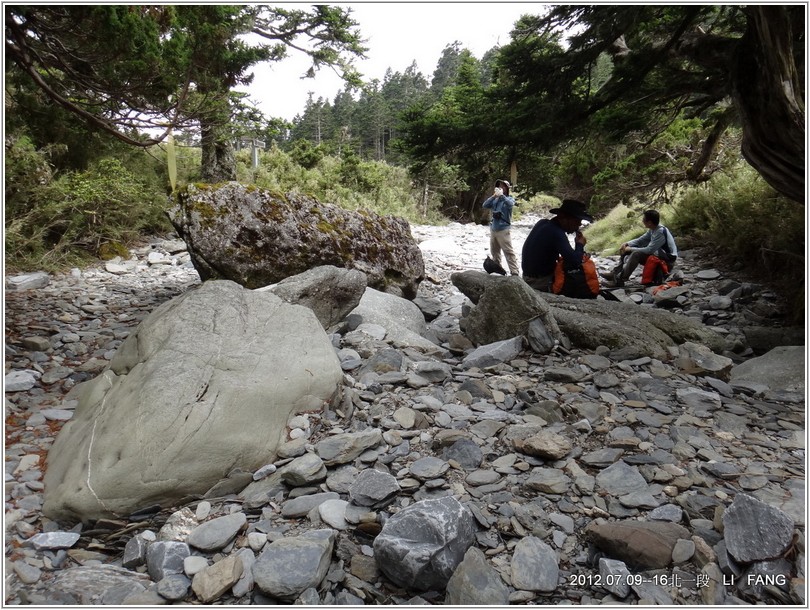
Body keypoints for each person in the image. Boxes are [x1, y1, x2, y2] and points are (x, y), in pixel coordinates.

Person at [521, 199, 594, 292]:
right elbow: (575, 262)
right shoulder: (556, 233)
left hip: (527, 276)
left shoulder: (543, 223)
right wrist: (579, 245)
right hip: (540, 281)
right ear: (563, 218)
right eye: (576, 221)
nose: (579, 224)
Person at [601, 209, 678, 287]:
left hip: (667, 261)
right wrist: (627, 244)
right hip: (659, 256)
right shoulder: (654, 229)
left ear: (650, 223)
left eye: (644, 219)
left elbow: (649, 250)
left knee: (636, 254)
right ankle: (614, 273)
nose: (642, 221)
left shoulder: (660, 232)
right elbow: (641, 240)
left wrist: (630, 249)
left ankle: (619, 280)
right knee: (628, 250)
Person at [482, 179, 519, 275]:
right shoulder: (495, 199)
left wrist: (502, 196)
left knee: (508, 251)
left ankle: (514, 271)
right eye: (499, 186)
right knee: (495, 251)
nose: (501, 188)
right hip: (493, 228)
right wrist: (494, 195)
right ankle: (497, 269)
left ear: (507, 188)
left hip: (503, 229)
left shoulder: (509, 199)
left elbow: (510, 204)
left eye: (503, 186)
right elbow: (485, 205)